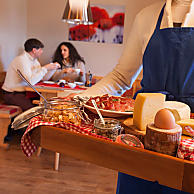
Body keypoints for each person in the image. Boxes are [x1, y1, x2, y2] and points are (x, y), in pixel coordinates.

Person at [71, 0, 194, 193]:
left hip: (189, 135)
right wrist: (79, 99)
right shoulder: (147, 16)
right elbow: (121, 78)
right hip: (142, 132)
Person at [2, 38, 60, 111]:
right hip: (11, 94)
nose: (42, 52)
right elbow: (30, 81)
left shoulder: (35, 60)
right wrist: (45, 68)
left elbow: (43, 78)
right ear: (34, 50)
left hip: (25, 92)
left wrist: (52, 69)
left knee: (46, 104)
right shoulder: (21, 60)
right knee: (34, 110)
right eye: (41, 49)